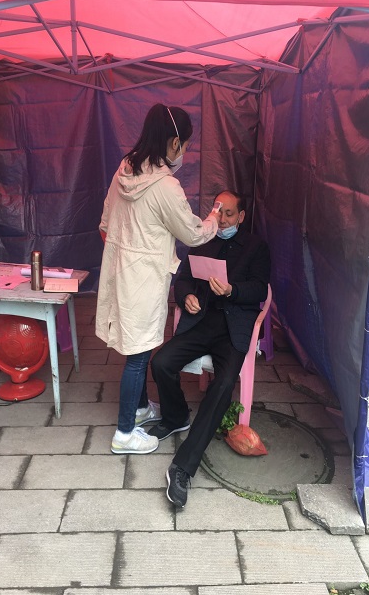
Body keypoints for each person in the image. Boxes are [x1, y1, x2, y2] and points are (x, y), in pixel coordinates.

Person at [95, 103, 220, 455]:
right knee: (139, 354)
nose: (185, 152)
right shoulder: (166, 186)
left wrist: (126, 251)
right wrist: (214, 218)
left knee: (135, 344)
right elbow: (192, 233)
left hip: (120, 271)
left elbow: (104, 224)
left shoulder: (125, 169)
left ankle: (139, 408)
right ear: (175, 143)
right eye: (186, 145)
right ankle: (124, 434)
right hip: (144, 278)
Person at [148, 190, 271, 507]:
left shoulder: (256, 247)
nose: (223, 219)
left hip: (234, 328)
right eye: (219, 212)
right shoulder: (202, 239)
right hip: (201, 321)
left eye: (229, 213)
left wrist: (232, 290)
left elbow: (260, 289)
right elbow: (183, 279)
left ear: (241, 216)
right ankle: (176, 416)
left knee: (224, 385)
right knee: (161, 362)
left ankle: (183, 467)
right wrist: (186, 296)